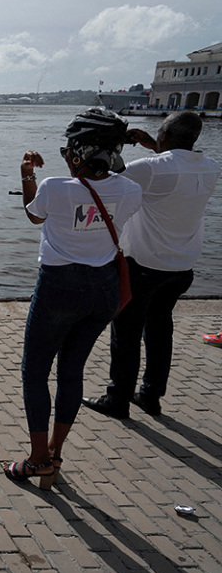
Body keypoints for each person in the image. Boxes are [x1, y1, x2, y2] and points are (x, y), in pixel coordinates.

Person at [2, 108, 142, 488]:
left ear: (79, 152)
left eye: (68, 149)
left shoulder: (54, 188)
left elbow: (34, 215)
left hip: (59, 287)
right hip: (104, 290)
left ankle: (37, 460)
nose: (66, 155)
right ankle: (56, 453)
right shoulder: (131, 190)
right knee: (71, 372)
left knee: (35, 372)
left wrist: (27, 174)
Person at [83, 111, 220, 419]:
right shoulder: (210, 167)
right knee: (159, 329)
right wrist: (155, 146)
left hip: (145, 265)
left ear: (164, 135)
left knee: (126, 332)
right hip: (182, 266)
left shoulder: (150, 168)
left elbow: (103, 177)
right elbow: (176, 164)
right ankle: (150, 395)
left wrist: (113, 144)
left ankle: (117, 399)